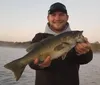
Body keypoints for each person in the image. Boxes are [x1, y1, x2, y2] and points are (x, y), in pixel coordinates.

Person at [29, 2, 93, 85]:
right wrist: (40, 64)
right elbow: (31, 63)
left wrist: (83, 51)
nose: (57, 18)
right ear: (48, 18)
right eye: (53, 15)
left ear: (67, 17)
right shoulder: (39, 37)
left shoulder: (75, 37)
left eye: (61, 14)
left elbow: (86, 59)